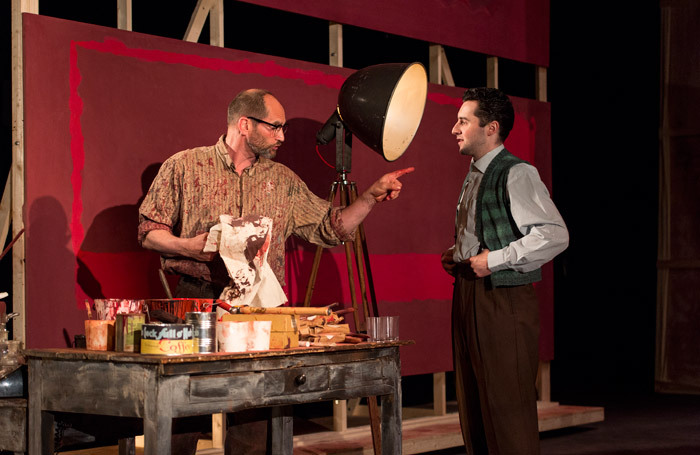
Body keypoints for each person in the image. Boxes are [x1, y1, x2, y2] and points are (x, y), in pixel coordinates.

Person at [138, 88, 413, 454]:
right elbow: (148, 232)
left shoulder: (282, 181)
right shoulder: (185, 166)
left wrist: (370, 198)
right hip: (197, 305)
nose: (282, 136)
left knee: (255, 421)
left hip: (259, 311)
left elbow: (331, 228)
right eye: (275, 127)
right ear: (245, 124)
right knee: (181, 421)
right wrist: (188, 246)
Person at [441, 87, 568, 455]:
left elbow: (554, 234)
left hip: (503, 299)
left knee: (507, 407)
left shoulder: (516, 172)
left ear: (491, 127)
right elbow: (483, 231)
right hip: (470, 291)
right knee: (474, 402)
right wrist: (458, 255)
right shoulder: (475, 173)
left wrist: (493, 260)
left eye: (463, 121)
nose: (455, 129)